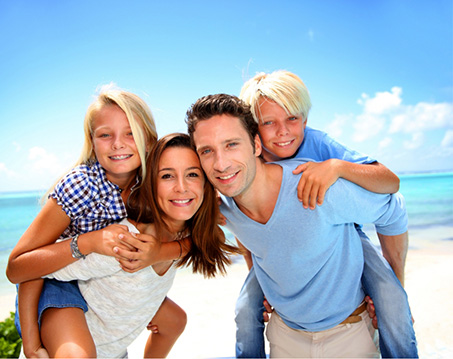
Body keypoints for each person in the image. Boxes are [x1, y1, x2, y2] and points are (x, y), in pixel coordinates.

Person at [186, 93, 411, 358]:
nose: (221, 164)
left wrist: (393, 283)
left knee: (394, 304)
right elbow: (248, 236)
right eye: (207, 151)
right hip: (284, 340)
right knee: (244, 311)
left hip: (350, 337)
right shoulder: (221, 206)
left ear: (256, 145)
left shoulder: (317, 186)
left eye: (232, 144)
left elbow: (392, 207)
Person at [12, 132, 239, 358]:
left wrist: (165, 250)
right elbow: (33, 271)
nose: (182, 187)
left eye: (192, 174)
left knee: (176, 320)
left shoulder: (189, 231)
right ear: (150, 184)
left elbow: (214, 237)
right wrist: (31, 343)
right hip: (65, 351)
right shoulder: (123, 243)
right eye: (167, 176)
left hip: (115, 353)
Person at [6, 88, 189, 358]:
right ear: (92, 142)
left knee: (173, 320)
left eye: (130, 133)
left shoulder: (150, 182)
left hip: (98, 283)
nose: (118, 144)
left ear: (149, 141)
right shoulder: (81, 184)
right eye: (105, 135)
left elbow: (198, 236)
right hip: (58, 283)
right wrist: (88, 242)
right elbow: (18, 268)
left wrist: (161, 252)